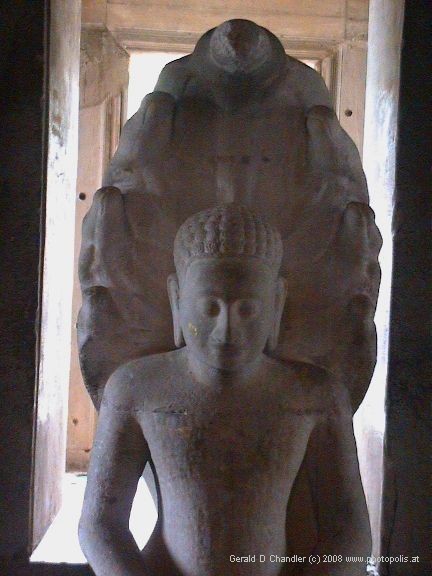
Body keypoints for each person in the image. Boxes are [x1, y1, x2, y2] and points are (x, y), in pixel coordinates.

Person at [79, 204, 371, 576]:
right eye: (209, 308)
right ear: (177, 299)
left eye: (248, 309)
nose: (227, 331)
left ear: (276, 303)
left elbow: (349, 531)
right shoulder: (135, 389)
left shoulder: (315, 395)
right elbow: (99, 526)